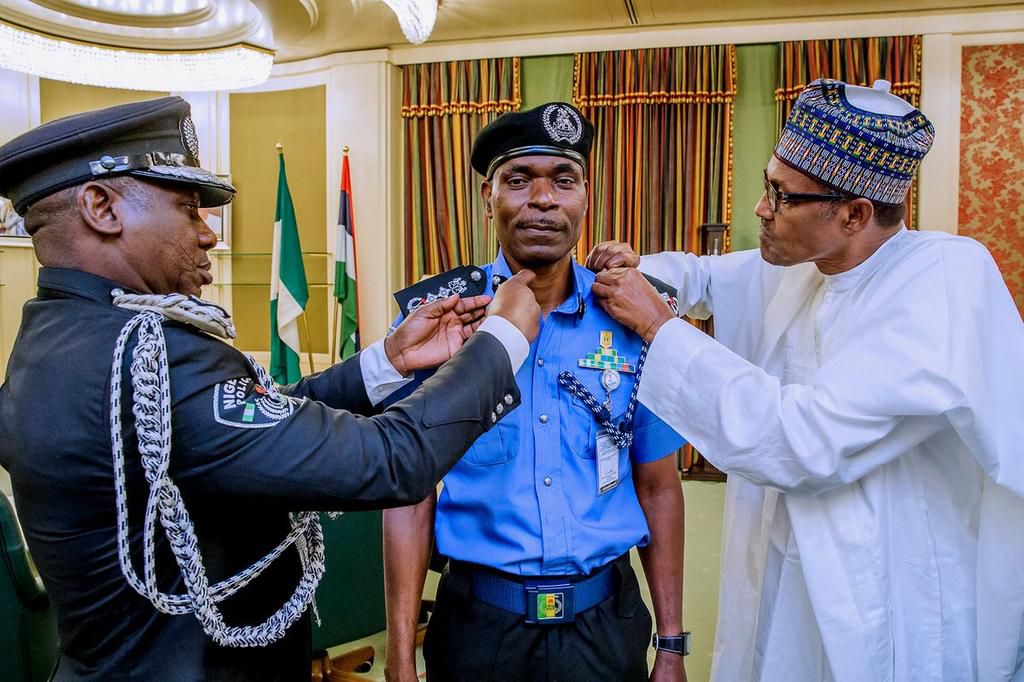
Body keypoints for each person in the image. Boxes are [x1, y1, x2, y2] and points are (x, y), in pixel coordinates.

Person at [0, 96, 543, 681]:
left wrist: (386, 362)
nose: (208, 234)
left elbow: (257, 423)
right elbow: (393, 459)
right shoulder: (147, 356)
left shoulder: (63, 338)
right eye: (188, 209)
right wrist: (503, 339)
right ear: (102, 207)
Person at [587, 79, 1024, 681]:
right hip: (787, 566)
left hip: (885, 586)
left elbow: (804, 441)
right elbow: (706, 277)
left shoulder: (942, 281)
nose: (761, 209)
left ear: (854, 213)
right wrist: (640, 272)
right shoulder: (812, 265)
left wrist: (660, 326)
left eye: (782, 195)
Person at [382, 102, 688, 682]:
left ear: (585, 197)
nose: (543, 199)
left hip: (604, 624)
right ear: (487, 195)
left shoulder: (635, 318)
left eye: (563, 181)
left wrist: (671, 645)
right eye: (518, 180)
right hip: (479, 629)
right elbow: (409, 495)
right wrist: (400, 658)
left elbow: (658, 485)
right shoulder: (439, 322)